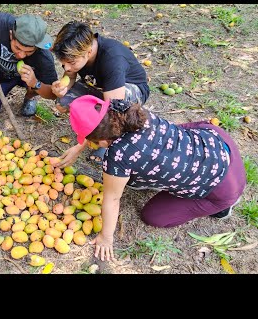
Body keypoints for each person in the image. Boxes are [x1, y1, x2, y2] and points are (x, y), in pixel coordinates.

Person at [68, 95, 247, 262]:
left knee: (154, 216)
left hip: (224, 188)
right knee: (176, 133)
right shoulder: (129, 112)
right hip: (217, 142)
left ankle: (223, 206)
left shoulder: (118, 156)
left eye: (89, 141)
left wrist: (106, 237)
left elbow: (113, 199)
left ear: (101, 140)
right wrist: (79, 146)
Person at [50, 21, 150, 166]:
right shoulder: (76, 51)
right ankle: (92, 131)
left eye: (71, 62)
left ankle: (107, 142)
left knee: (114, 116)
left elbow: (112, 110)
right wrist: (63, 88)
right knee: (63, 102)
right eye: (63, 63)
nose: (66, 67)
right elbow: (70, 76)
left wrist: (79, 147)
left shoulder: (111, 59)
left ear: (88, 52)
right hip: (100, 88)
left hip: (127, 91)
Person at [0, 11, 58, 120]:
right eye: (17, 48)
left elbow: (52, 94)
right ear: (11, 34)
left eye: (29, 52)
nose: (21, 55)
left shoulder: (44, 57)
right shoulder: (1, 23)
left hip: (29, 79)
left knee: (38, 84)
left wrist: (35, 83)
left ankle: (30, 96)